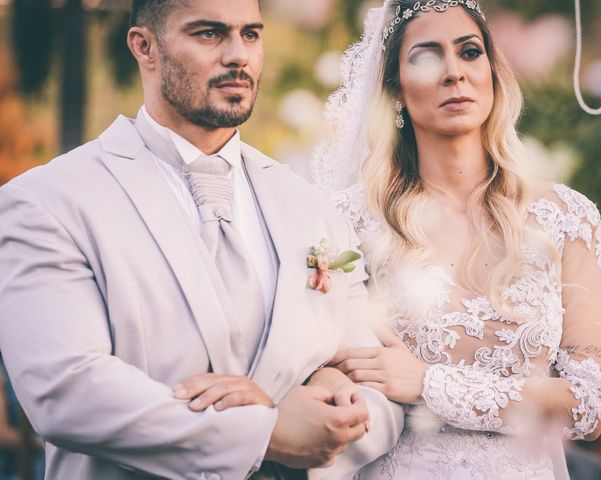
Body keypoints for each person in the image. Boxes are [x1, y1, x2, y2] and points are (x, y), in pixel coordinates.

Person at [0, 0, 404, 478]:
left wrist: (339, 420)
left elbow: (377, 387)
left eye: (251, 35)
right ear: (144, 47)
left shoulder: (311, 206)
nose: (239, 55)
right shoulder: (47, 202)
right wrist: (266, 433)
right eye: (209, 34)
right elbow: (65, 391)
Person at [312, 1, 601, 479]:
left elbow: (589, 407)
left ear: (493, 73)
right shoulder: (345, 222)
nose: (453, 72)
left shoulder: (566, 218)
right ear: (394, 90)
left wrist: (431, 384)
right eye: (427, 57)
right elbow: (329, 368)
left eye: (470, 52)